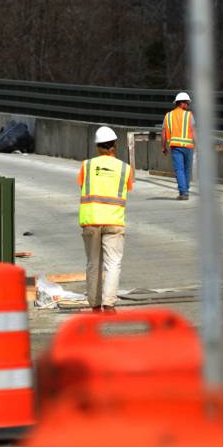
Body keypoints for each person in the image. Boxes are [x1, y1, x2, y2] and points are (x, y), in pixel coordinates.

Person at [78, 126, 134, 314]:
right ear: (114, 146)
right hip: (114, 221)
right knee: (113, 263)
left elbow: (82, 186)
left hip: (91, 220)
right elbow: (128, 188)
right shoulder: (125, 169)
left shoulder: (86, 165)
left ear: (97, 146)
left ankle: (94, 305)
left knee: (93, 263)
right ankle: (109, 304)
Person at [162, 91, 195, 200]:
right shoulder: (189, 115)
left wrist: (163, 147)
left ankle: (183, 192)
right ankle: (185, 190)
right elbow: (194, 131)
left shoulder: (168, 116)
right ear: (182, 103)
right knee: (187, 169)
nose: (188, 105)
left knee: (179, 170)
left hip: (175, 147)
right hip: (188, 147)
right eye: (187, 103)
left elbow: (163, 133)